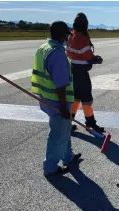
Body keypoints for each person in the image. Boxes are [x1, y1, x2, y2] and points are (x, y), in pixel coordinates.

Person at [31, 21, 82, 177]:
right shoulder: (58, 54)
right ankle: (50, 167)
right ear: (62, 35)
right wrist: (64, 108)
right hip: (58, 101)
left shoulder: (43, 48)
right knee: (58, 135)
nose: (68, 38)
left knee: (64, 130)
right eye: (67, 35)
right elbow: (60, 85)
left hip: (46, 98)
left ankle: (68, 157)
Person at [66, 12, 105, 133]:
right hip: (82, 73)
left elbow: (69, 52)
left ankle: (68, 122)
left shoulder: (71, 35)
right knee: (86, 99)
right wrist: (96, 59)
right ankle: (90, 123)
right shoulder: (82, 38)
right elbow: (88, 56)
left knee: (76, 98)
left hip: (73, 71)